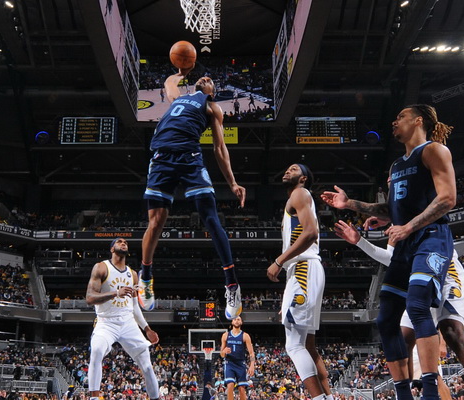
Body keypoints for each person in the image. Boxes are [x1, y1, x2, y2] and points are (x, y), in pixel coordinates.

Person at [321, 104, 457, 400]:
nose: (394, 122)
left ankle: (431, 392)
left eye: (401, 117)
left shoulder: (433, 151)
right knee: (385, 319)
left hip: (431, 237)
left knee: (418, 306)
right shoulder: (397, 166)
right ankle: (403, 394)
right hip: (405, 244)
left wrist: (408, 226)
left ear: (418, 121)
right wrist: (350, 204)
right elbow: (391, 208)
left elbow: (448, 198)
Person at [334, 219, 464, 399]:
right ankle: (406, 394)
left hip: (444, 269)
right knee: (404, 339)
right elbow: (393, 259)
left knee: (451, 331)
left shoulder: (418, 215)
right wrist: (360, 240)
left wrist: (362, 239)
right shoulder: (396, 223)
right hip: (418, 279)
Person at [139, 64, 246, 319]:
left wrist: (232, 182)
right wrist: (180, 73)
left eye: (211, 80)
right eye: (204, 77)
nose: (206, 77)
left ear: (212, 92)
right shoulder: (180, 98)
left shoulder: (212, 107)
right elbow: (168, 84)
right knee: (156, 221)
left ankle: (232, 285)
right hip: (162, 159)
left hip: (190, 158)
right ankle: (146, 277)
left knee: (210, 218)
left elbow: (219, 148)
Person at [267, 164, 333, 400]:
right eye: (286, 169)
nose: (286, 171)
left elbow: (311, 233)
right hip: (304, 272)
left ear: (303, 178)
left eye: (293, 169)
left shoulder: (299, 193)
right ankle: (328, 397)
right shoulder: (298, 198)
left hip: (303, 268)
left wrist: (279, 260)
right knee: (308, 346)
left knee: (294, 345)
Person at [85, 238, 160, 400]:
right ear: (112, 249)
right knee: (96, 351)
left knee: (147, 366)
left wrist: (147, 329)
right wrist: (115, 293)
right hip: (106, 322)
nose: (123, 243)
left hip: (128, 323)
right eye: (119, 241)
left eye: (125, 242)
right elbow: (90, 298)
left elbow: (135, 307)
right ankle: (94, 397)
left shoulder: (132, 274)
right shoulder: (101, 267)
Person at [220, 316, 255, 400]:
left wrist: (252, 365)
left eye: (238, 319)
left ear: (241, 322)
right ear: (232, 322)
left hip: (241, 364)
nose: (236, 321)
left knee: (242, 389)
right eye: (235, 319)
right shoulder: (226, 335)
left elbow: (251, 353)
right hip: (229, 363)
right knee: (230, 385)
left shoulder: (245, 336)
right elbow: (221, 354)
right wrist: (224, 351)